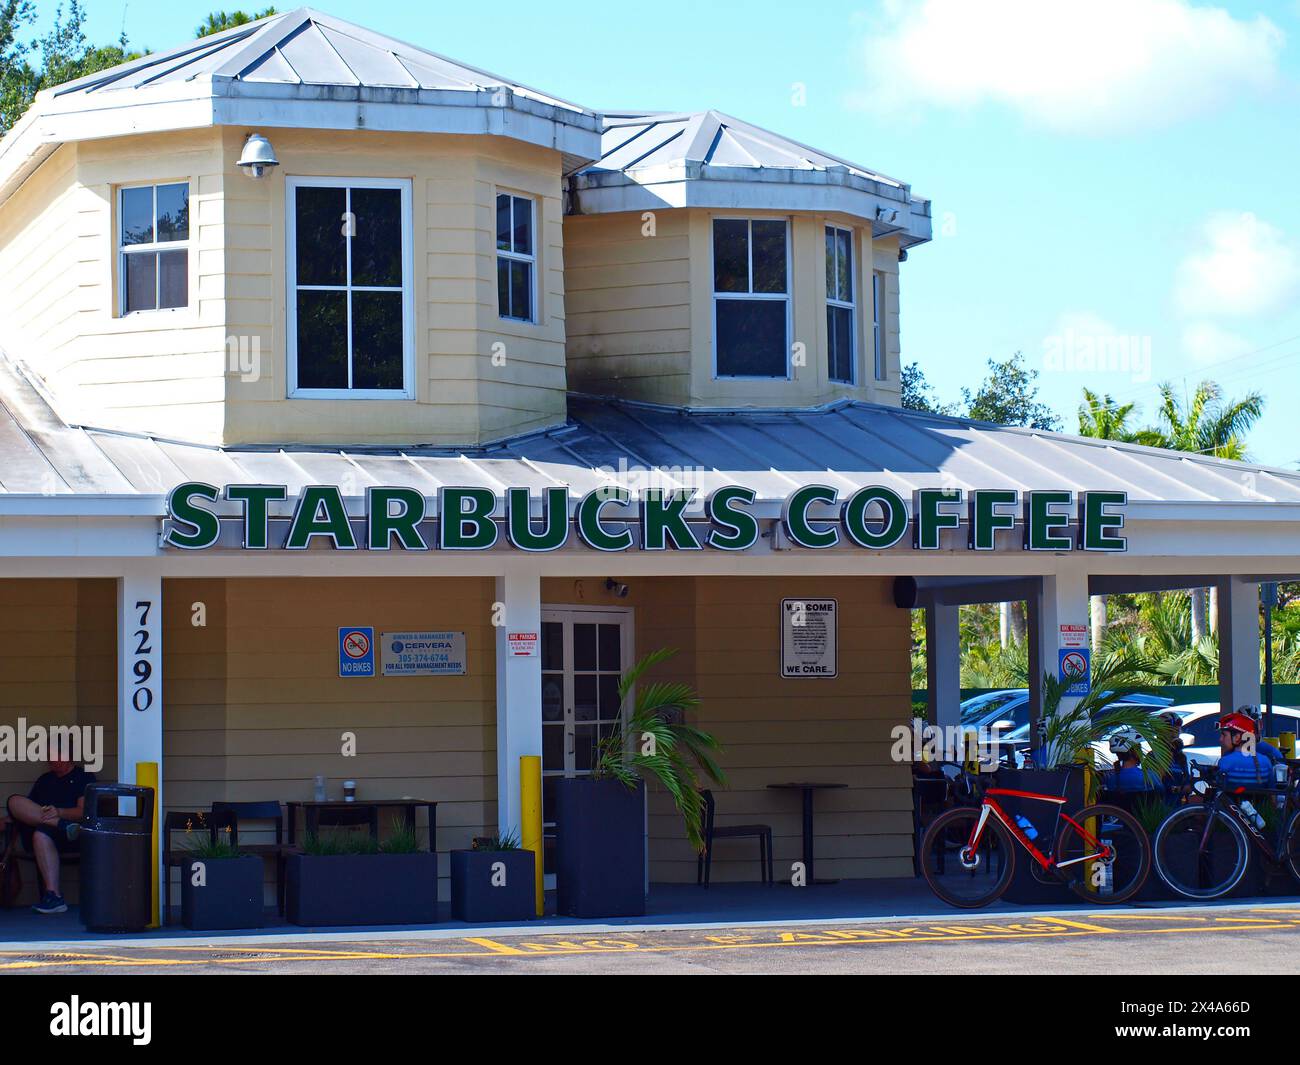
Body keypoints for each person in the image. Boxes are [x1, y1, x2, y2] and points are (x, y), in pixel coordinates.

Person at [5, 760, 95, 914]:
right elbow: (29, 811)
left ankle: (53, 896)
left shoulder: (83, 776)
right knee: (14, 801)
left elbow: (83, 811)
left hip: (74, 836)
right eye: (49, 755)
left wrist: (59, 812)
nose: (51, 760)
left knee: (41, 835)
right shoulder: (45, 780)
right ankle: (60, 824)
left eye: (56, 755)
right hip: (51, 829)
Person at [1217, 708, 1282, 791]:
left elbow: (1219, 793)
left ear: (1237, 737)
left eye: (1224, 735)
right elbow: (1273, 795)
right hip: (1259, 803)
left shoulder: (1225, 762)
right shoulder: (1266, 761)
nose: (1220, 739)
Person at [1107, 727, 1159, 792]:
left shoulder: (1111, 779)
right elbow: (1162, 793)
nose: (1142, 752)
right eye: (1139, 748)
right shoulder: (1149, 777)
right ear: (1134, 752)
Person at [1160, 711, 1190, 794]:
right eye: (1171, 732)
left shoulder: (1181, 757)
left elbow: (1188, 787)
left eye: (1177, 732)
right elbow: (1155, 785)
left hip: (1178, 804)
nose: (1175, 736)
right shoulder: (1153, 756)